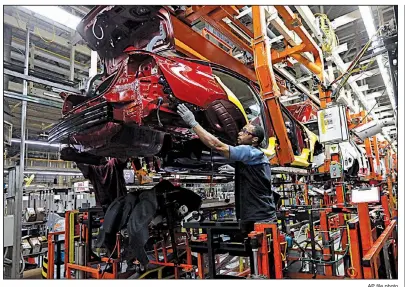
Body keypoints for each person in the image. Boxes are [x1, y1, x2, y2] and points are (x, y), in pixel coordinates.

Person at [177, 104, 277, 223]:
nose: (240, 133)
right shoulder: (256, 156)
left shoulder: (250, 151)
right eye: (241, 130)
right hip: (261, 216)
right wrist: (238, 172)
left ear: (254, 139)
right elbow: (255, 178)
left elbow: (217, 145)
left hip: (259, 219)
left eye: (245, 131)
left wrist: (193, 123)